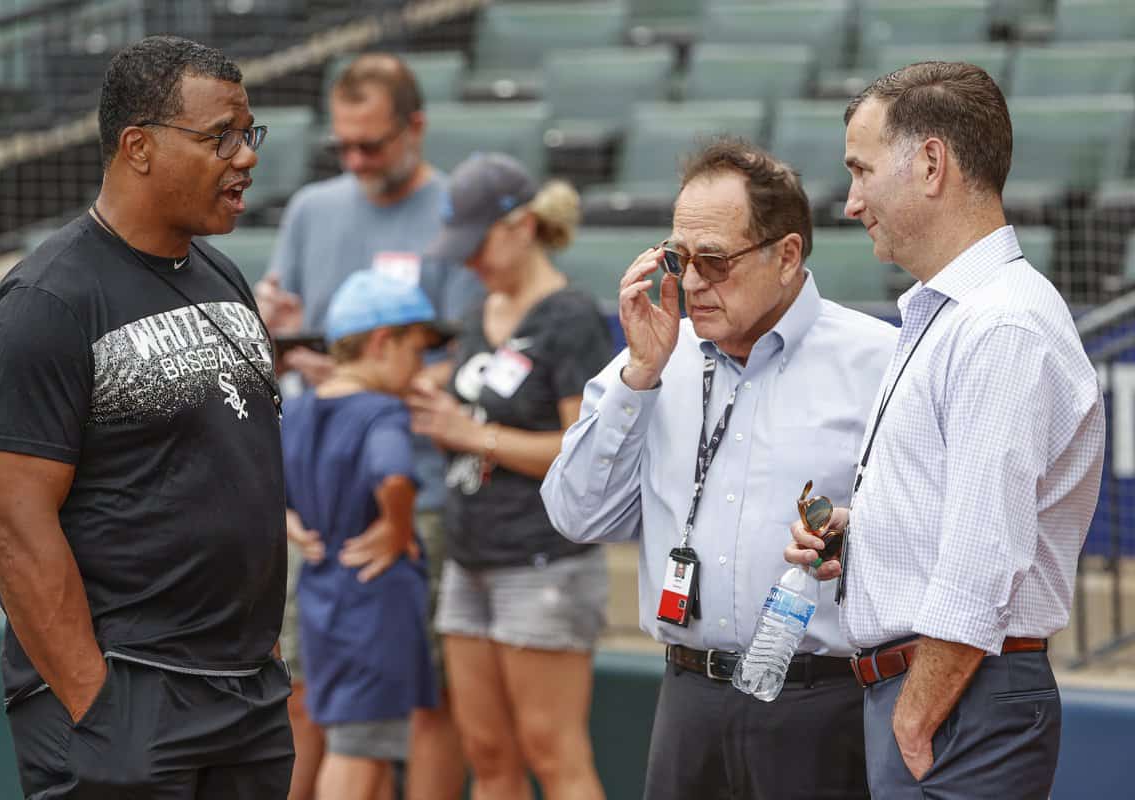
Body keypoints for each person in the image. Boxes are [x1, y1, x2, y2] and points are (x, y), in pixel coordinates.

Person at [0, 36, 292, 799]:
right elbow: (12, 526)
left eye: (251, 134)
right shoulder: (46, 304)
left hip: (243, 693)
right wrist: (99, 706)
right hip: (129, 701)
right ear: (137, 147)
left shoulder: (220, 274)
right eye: (221, 137)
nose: (245, 157)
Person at [784, 61, 1106, 799]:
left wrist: (916, 714)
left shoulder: (1001, 324)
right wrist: (858, 530)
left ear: (931, 164)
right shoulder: (961, 313)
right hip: (949, 694)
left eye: (862, 171)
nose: (852, 201)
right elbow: (959, 512)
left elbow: (982, 554)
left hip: (958, 697)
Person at [541, 137, 898, 800]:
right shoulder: (657, 359)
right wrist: (638, 375)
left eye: (715, 261)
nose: (694, 282)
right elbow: (576, 515)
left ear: (787, 255)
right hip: (688, 697)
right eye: (679, 259)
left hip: (821, 700)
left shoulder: (880, 362)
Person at [253, 52, 474, 800]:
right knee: (304, 686)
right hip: (318, 501)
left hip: (417, 495)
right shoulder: (314, 209)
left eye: (371, 144)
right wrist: (281, 341)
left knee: (424, 699)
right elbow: (286, 341)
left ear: (416, 128)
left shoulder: (452, 213)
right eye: (342, 145)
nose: (354, 160)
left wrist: (362, 383)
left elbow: (465, 360)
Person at [407, 152, 612, 800]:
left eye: (479, 244)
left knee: (554, 755)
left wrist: (473, 434)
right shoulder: (479, 314)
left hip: (543, 561)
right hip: (470, 558)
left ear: (522, 225)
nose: (470, 262)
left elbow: (590, 451)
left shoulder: (571, 316)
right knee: (488, 755)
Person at [282, 270, 450, 800]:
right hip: (373, 606)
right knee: (357, 753)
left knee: (370, 752)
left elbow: (264, 485)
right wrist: (398, 528)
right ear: (383, 342)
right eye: (416, 350)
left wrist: (290, 522)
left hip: (322, 594)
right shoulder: (382, 412)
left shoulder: (302, 407)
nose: (421, 366)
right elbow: (395, 475)